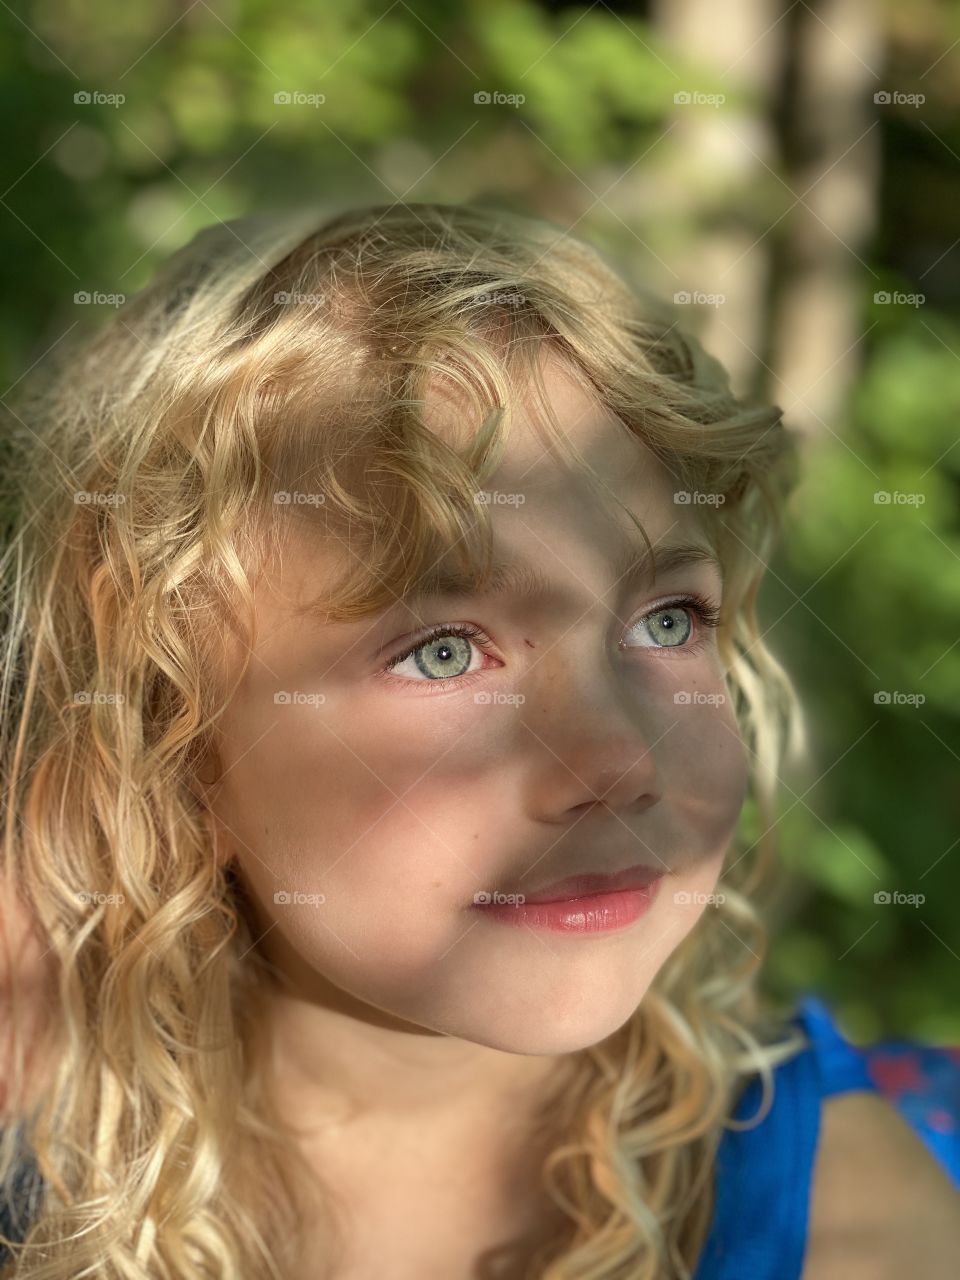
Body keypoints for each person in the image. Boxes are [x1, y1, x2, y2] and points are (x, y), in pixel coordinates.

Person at [0, 201, 957, 1279]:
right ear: (171, 747)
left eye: (668, 619)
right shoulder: (44, 1174)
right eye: (445, 650)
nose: (619, 760)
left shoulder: (836, 1216)